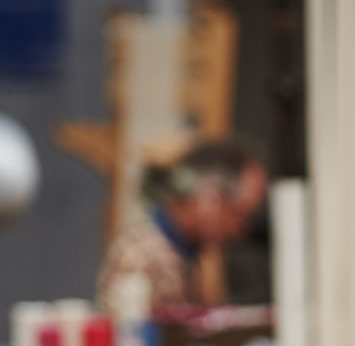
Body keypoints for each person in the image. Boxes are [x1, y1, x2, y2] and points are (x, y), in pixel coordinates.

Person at [96, 135, 267, 315]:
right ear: (210, 200)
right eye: (241, 213)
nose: (242, 229)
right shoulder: (143, 258)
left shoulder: (182, 255)